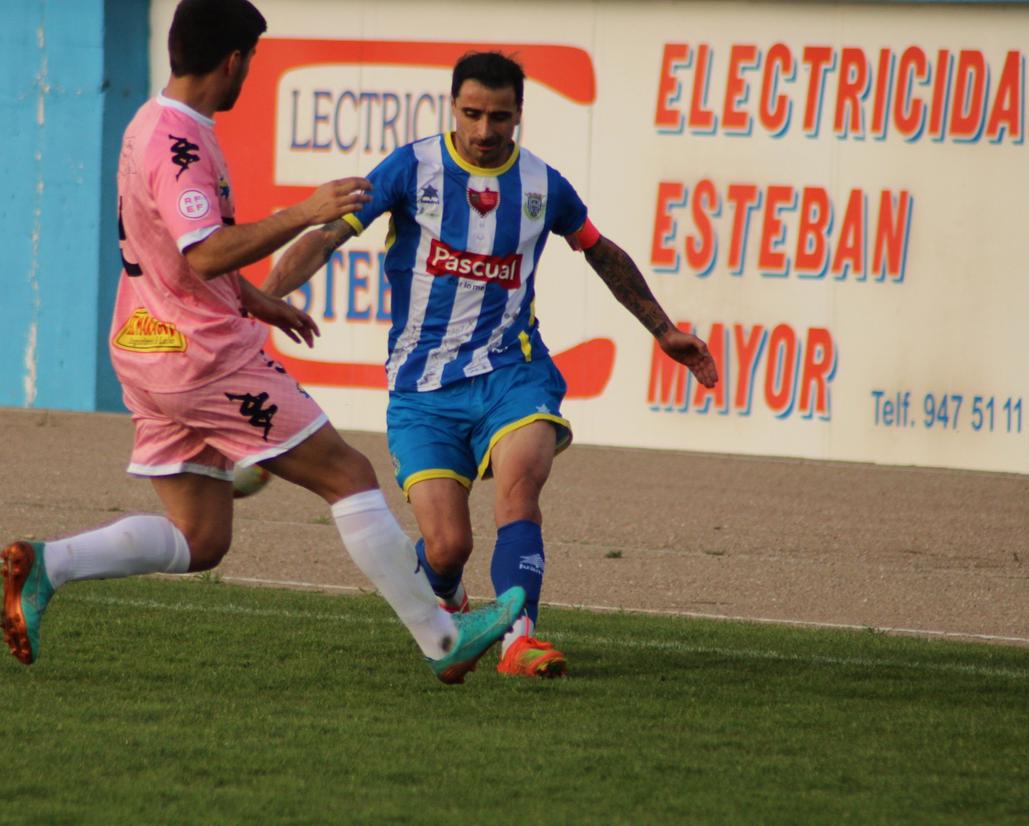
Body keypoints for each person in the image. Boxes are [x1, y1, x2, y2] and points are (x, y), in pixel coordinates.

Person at [0, 0, 524, 684]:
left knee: (202, 538)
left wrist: (256, 299)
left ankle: (47, 566)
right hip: (203, 358)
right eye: (252, 61)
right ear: (233, 60)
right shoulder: (181, 144)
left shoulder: (147, 123)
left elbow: (167, 256)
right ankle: (442, 638)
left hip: (145, 346)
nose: (249, 73)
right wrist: (305, 212)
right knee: (350, 477)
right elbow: (204, 253)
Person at [263, 51, 718, 678]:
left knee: (520, 489)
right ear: (452, 106)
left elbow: (600, 250)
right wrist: (264, 296)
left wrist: (663, 329)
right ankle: (448, 605)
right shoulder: (411, 168)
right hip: (423, 389)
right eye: (472, 113)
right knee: (449, 547)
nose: (484, 131)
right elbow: (329, 236)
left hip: (514, 370)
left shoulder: (542, 186)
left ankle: (519, 641)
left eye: (499, 117)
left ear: (519, 115)